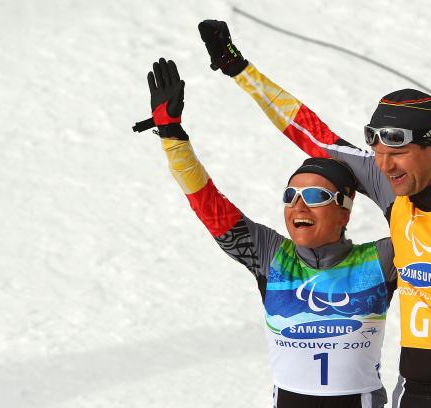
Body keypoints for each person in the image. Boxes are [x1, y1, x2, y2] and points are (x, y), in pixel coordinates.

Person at [197, 20, 431, 408]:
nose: (385, 166)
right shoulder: (394, 192)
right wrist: (238, 69)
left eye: (396, 153)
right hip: (411, 390)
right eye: (377, 154)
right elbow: (310, 133)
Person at [133, 58, 397, 408]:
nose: (298, 208)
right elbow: (208, 204)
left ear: (345, 208)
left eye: (315, 196)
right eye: (291, 196)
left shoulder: (380, 259)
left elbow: (419, 216)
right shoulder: (272, 255)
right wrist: (172, 138)